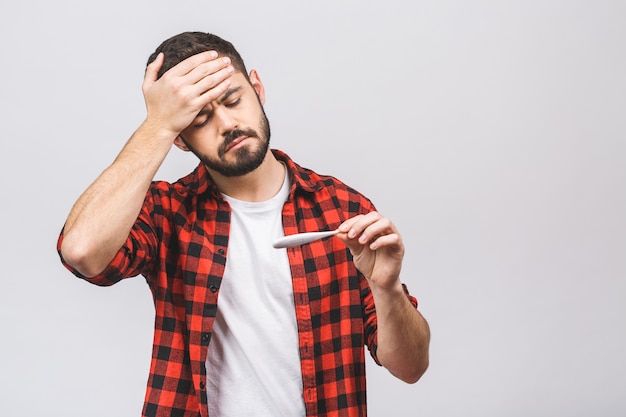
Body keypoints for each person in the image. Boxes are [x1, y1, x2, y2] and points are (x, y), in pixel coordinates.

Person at [57, 31, 430, 417]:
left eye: (234, 100)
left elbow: (411, 366)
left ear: (258, 88)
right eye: (199, 118)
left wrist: (387, 289)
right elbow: (82, 251)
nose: (227, 123)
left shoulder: (341, 209)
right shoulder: (167, 213)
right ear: (182, 140)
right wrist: (159, 125)